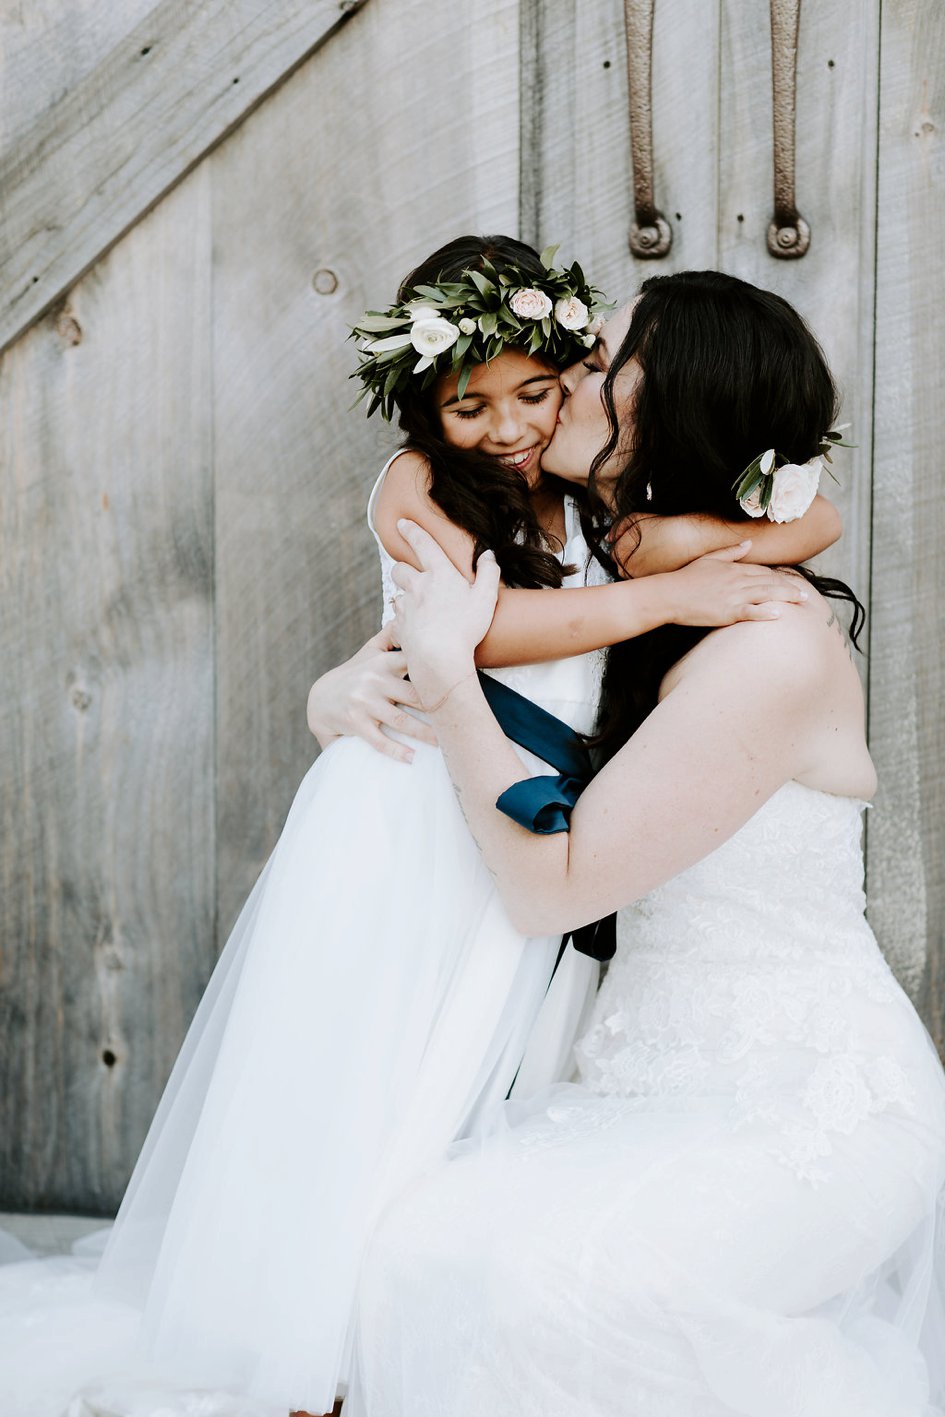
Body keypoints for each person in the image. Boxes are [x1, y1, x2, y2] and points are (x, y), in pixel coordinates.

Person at [0, 242, 827, 1417]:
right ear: (426, 406)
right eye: (470, 404)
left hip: (512, 825)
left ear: (574, 375)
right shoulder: (414, 486)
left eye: (538, 393)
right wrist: (670, 597)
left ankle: (400, 1335)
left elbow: (808, 513)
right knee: (362, 1073)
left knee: (469, 1076)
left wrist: (732, 546)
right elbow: (475, 633)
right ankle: (301, 1349)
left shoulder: (605, 499)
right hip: (402, 815)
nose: (508, 428)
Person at [335, 271, 945, 1417]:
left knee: (572, 1295)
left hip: (806, 1102)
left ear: (660, 420)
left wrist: (449, 674)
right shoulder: (632, 566)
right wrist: (344, 690)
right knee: (414, 1257)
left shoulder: (765, 643)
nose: (556, 383)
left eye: (594, 366)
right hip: (642, 1081)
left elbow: (546, 891)